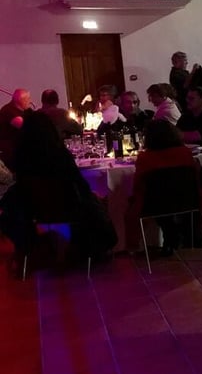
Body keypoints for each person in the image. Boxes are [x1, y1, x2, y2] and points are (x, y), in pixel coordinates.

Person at [0, 112, 116, 272]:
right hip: (69, 207)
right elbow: (79, 183)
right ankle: (93, 248)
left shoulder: (21, 157)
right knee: (96, 201)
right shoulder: (60, 155)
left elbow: (20, 185)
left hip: (35, 210)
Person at [130, 120, 199, 256]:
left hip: (155, 204)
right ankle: (174, 233)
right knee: (166, 197)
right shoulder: (185, 153)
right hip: (188, 200)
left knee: (147, 199)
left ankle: (165, 235)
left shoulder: (145, 158)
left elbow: (138, 185)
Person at [0, 88, 33, 167]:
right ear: (21, 100)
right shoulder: (9, 111)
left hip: (17, 149)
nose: (30, 101)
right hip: (10, 152)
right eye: (28, 99)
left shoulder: (24, 111)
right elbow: (25, 127)